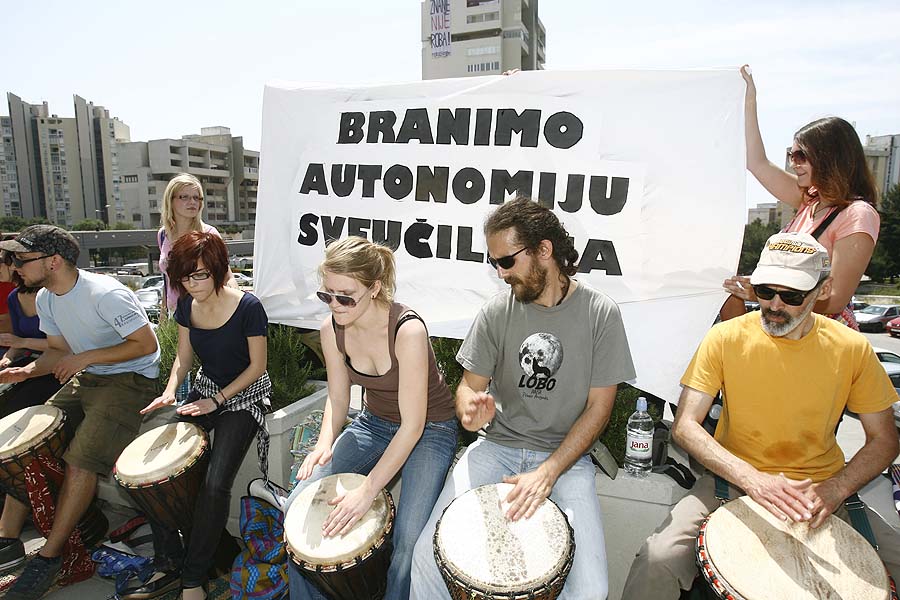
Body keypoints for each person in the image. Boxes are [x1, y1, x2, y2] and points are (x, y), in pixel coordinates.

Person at [622, 232, 900, 599]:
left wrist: (835, 489)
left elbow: (885, 439)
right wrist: (754, 481)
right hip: (731, 482)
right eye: (766, 290)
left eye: (792, 295)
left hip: (820, 489)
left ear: (824, 289)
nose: (774, 305)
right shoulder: (726, 337)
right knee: (657, 559)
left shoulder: (852, 348)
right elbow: (686, 426)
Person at [410, 197, 636, 600]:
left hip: (566, 460)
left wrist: (548, 471)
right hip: (496, 447)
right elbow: (468, 387)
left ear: (544, 251)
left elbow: (599, 409)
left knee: (591, 590)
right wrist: (470, 409)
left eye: (507, 261)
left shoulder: (600, 313)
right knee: (427, 560)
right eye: (493, 263)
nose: (500, 273)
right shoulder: (497, 312)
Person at [284, 236, 458, 600]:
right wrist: (323, 443)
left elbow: (412, 426)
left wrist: (367, 490)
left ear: (374, 287)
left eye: (346, 296)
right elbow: (337, 396)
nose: (335, 304)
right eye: (326, 295)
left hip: (430, 428)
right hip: (374, 422)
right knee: (295, 509)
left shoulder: (408, 330)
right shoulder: (331, 329)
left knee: (410, 540)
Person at [0, 225, 159, 600]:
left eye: (22, 259)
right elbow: (57, 351)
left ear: (53, 261)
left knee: (81, 459)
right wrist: (24, 371)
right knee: (29, 443)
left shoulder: (106, 294)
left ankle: (50, 557)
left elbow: (145, 343)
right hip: (88, 376)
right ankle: (7, 539)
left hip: (130, 380)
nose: (14, 266)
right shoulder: (47, 298)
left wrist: (84, 357)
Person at [136, 231, 271, 600]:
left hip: (245, 397)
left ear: (217, 269)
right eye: (184, 277)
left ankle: (193, 579)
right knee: (156, 471)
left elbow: (258, 367)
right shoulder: (186, 307)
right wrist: (169, 390)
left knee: (215, 484)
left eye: (200, 275)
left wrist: (220, 401)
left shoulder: (248, 306)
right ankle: (174, 559)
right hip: (205, 390)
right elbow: (184, 356)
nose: (191, 284)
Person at [722, 65, 880, 327]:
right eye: (791, 155)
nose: (793, 163)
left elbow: (836, 299)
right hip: (789, 326)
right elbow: (756, 162)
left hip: (819, 340)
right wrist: (750, 100)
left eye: (800, 156)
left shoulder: (857, 215)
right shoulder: (809, 202)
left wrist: (766, 294)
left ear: (829, 158)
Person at [158, 173, 235, 319]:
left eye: (196, 197)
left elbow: (227, 277)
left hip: (204, 314)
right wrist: (163, 316)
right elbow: (167, 280)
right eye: (184, 197)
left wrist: (233, 311)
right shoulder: (163, 235)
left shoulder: (208, 234)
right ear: (171, 200)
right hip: (174, 314)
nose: (192, 202)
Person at [0, 251, 63, 418]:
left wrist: (22, 342)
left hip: (57, 367)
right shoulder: (13, 298)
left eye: (2, 261)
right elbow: (17, 342)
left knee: (16, 408)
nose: (15, 266)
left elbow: (64, 345)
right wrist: (8, 358)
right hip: (31, 362)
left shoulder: (51, 295)